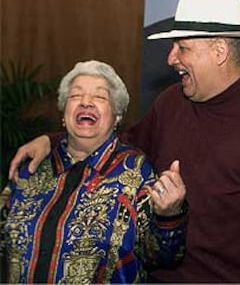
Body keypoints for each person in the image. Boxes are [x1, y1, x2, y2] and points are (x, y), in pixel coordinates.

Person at [8, 0, 240, 282]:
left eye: (182, 47)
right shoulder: (171, 102)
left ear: (219, 51)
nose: (171, 58)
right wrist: (54, 140)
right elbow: (116, 148)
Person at [0, 60, 188, 283]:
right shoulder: (33, 166)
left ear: (117, 116)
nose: (86, 102)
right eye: (75, 96)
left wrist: (169, 215)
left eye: (99, 97)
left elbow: (162, 256)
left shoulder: (136, 172)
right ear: (63, 113)